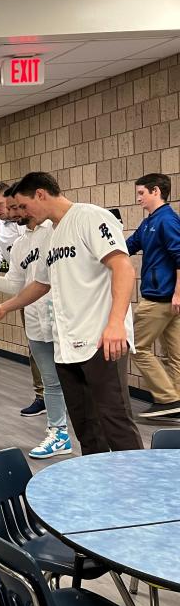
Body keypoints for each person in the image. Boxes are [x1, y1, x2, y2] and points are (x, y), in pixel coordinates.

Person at [0, 171, 144, 454]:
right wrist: (4, 307)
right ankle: (100, 484)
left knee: (114, 421)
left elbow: (123, 267)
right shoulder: (53, 234)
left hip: (101, 340)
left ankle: (135, 492)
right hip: (66, 345)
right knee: (85, 426)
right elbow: (41, 284)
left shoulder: (91, 217)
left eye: (23, 205)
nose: (21, 214)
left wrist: (116, 323)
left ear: (40, 194)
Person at [0, 184, 72, 459]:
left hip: (66, 315)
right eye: (0, 208)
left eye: (11, 207)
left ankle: (93, 433)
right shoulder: (15, 241)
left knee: (79, 379)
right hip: (33, 314)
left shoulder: (54, 229)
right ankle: (59, 433)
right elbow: (15, 284)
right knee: (50, 380)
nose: (5, 212)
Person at [0, 180, 46, 417]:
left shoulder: (39, 224)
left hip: (53, 295)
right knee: (36, 346)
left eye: (1, 205)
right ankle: (41, 396)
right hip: (26, 296)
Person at [127, 172, 180, 420]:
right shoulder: (150, 221)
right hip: (168, 300)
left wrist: (178, 294)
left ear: (156, 191)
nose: (138, 198)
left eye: (141, 193)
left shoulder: (167, 220)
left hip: (161, 299)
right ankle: (177, 405)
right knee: (175, 356)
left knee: (138, 347)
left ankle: (168, 399)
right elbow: (129, 245)